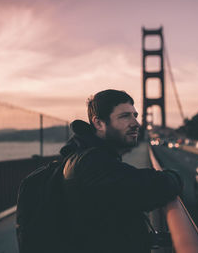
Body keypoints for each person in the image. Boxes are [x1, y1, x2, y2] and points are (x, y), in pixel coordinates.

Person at [60, 89, 182, 253]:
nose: (136, 123)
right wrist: (175, 177)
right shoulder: (91, 163)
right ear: (98, 123)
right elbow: (151, 187)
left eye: (135, 115)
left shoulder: (89, 155)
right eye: (125, 116)